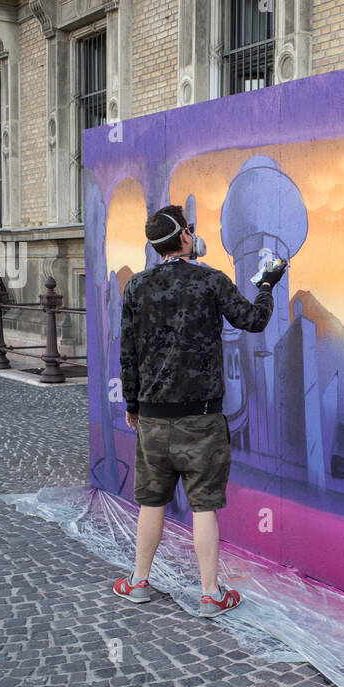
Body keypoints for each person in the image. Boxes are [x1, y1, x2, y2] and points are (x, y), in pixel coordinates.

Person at [113, 204, 286, 615]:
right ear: (186, 237)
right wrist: (267, 284)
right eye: (190, 229)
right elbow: (254, 320)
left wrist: (133, 406)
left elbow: (128, 354)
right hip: (202, 417)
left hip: (153, 418)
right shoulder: (211, 282)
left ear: (155, 246)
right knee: (204, 506)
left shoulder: (136, 288)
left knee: (151, 502)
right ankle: (211, 593)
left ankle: (137, 582)